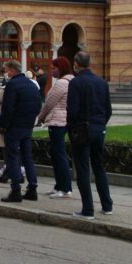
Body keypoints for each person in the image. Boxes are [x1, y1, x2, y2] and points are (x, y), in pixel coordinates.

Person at [67, 51, 113, 219]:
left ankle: (88, 209)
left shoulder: (76, 82)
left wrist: (71, 128)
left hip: (82, 130)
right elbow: (108, 110)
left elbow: (71, 112)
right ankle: (107, 205)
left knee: (83, 169)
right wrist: (100, 124)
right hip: (99, 129)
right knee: (99, 167)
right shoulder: (102, 82)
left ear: (76, 64)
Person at [0, 60, 42, 203]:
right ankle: (32, 188)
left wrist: (0, 124)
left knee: (13, 157)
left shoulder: (12, 85)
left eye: (6, 70)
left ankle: (15, 190)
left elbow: (8, 109)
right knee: (27, 157)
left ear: (12, 70)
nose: (5, 73)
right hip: (27, 126)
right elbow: (38, 105)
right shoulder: (31, 85)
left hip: (14, 127)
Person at [37, 57, 75, 199]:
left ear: (61, 68)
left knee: (59, 155)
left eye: (54, 68)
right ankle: (59, 186)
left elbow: (48, 103)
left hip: (57, 122)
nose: (52, 71)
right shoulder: (72, 81)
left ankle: (65, 188)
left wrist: (40, 118)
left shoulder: (61, 83)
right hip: (65, 120)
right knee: (58, 155)